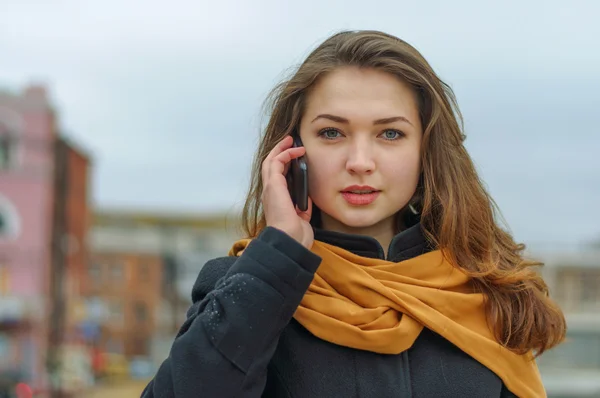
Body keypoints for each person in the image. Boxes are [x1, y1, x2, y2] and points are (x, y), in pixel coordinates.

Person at [142, 30, 566, 398]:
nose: (360, 161)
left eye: (390, 133)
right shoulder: (246, 289)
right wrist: (278, 257)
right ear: (291, 151)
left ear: (426, 152)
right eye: (332, 133)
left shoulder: (484, 293)